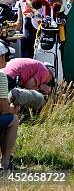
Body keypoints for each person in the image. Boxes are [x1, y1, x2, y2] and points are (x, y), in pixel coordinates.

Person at [0, 40, 18, 170]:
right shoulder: (1, 76)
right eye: (6, 56)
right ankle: (5, 163)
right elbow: (5, 109)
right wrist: (15, 108)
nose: (7, 60)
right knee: (13, 119)